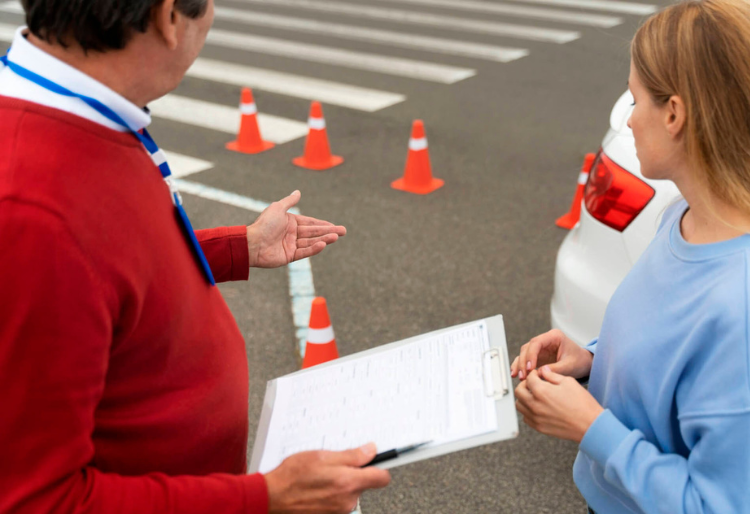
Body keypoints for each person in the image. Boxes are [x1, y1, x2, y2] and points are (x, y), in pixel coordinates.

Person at [0, 0, 391, 513]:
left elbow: (105, 273)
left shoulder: (82, 112)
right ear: (168, 18)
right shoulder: (32, 207)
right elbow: (39, 499)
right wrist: (266, 497)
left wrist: (237, 248)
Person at [510, 1, 750, 512]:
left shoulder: (741, 306)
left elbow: (716, 503)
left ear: (675, 114)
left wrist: (590, 427)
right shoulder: (683, 217)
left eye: (635, 99)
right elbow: (672, 364)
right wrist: (594, 363)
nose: (628, 120)